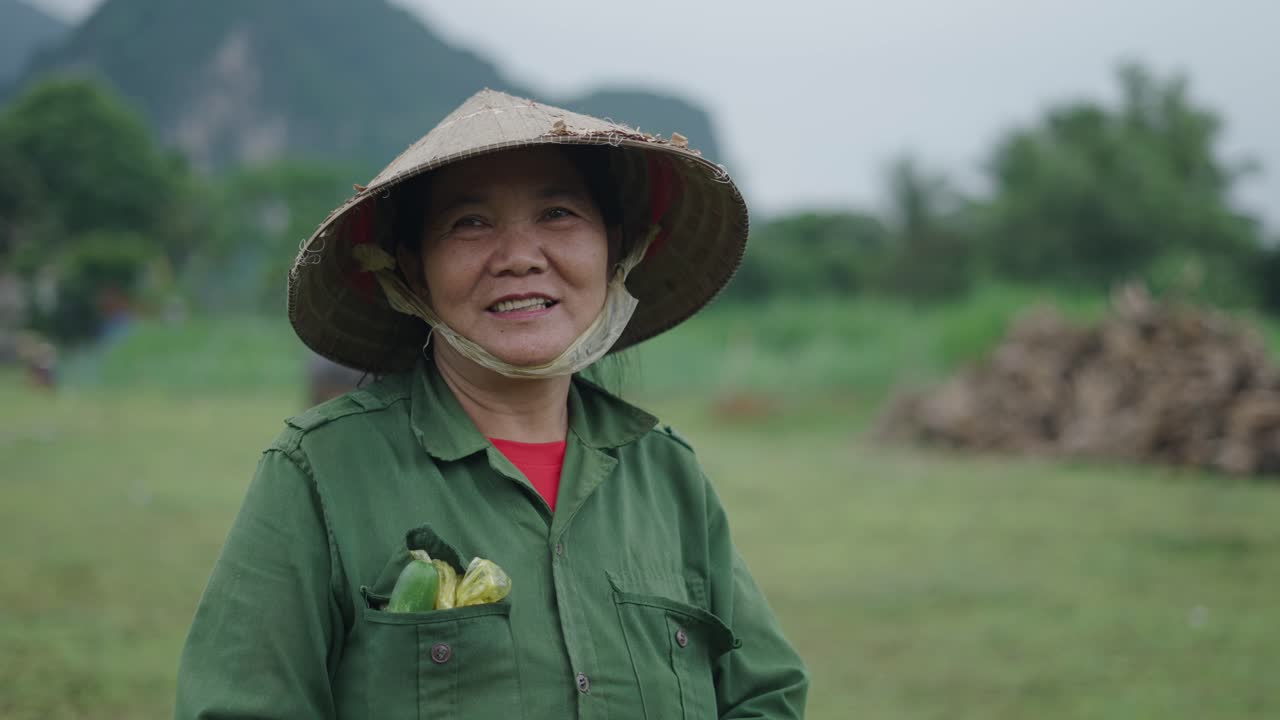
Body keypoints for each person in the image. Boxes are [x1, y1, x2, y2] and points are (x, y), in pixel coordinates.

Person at [176, 89, 808, 719]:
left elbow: (765, 695)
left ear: (614, 247)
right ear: (413, 269)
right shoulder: (319, 473)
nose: (519, 258)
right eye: (470, 223)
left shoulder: (668, 477)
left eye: (558, 213)